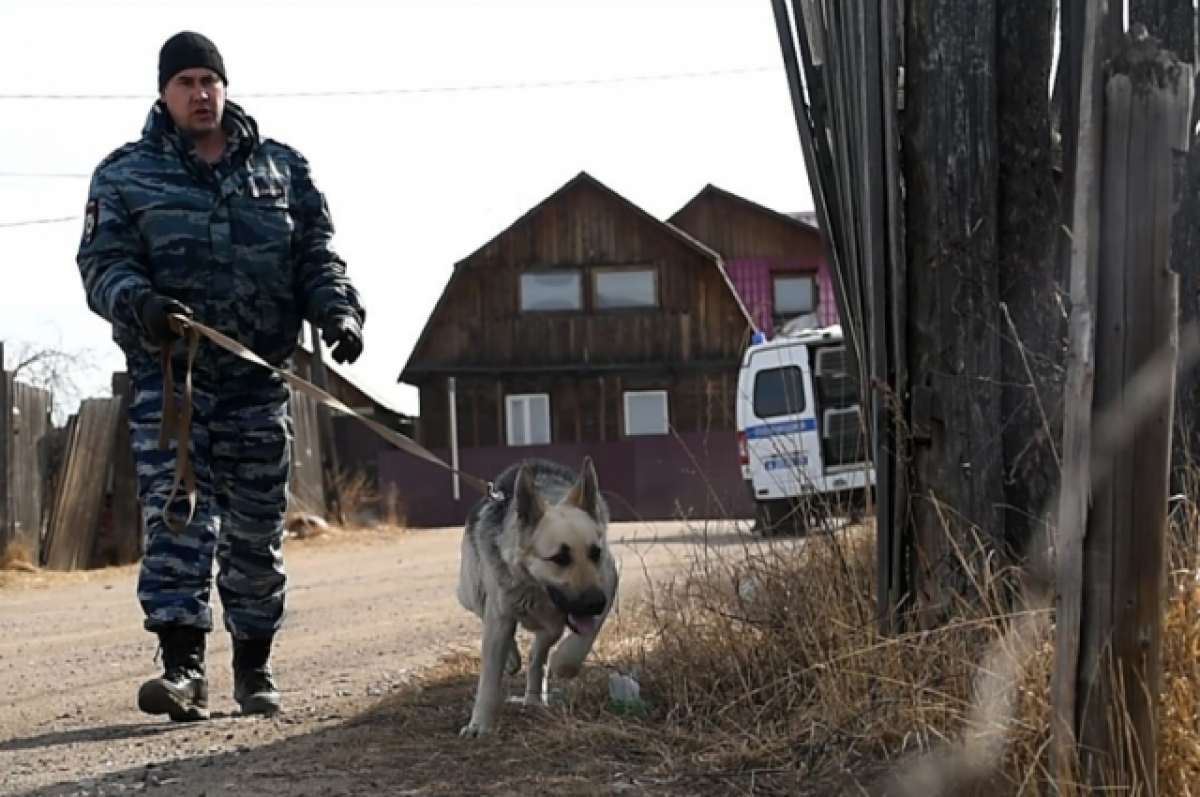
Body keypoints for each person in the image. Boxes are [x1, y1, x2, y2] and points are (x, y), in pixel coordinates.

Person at [75, 31, 366, 722]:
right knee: (177, 520)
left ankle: (253, 667)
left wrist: (338, 313)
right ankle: (182, 669)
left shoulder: (281, 170)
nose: (201, 94)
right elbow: (102, 264)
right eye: (186, 83)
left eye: (210, 80)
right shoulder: (125, 175)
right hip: (171, 383)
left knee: (255, 529)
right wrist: (140, 303)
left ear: (225, 87)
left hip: (257, 384)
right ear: (163, 94)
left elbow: (317, 256)